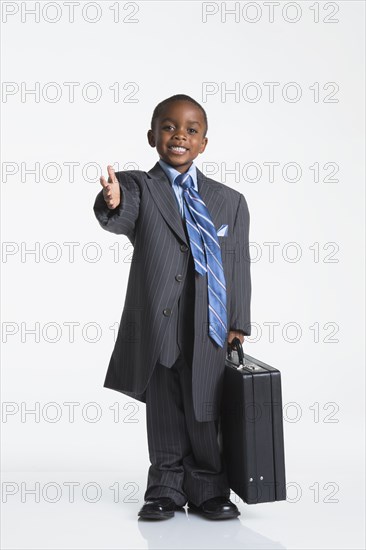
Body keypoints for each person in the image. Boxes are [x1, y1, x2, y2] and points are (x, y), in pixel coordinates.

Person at [93, 94, 251, 520]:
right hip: (158, 323)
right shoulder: (140, 188)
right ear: (152, 136)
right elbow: (121, 213)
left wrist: (238, 321)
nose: (179, 135)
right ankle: (164, 486)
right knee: (164, 406)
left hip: (209, 323)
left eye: (191, 129)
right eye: (168, 127)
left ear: (203, 143)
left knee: (205, 406)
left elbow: (238, 262)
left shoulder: (229, 200)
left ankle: (208, 488)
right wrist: (112, 200)